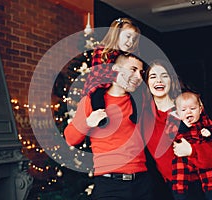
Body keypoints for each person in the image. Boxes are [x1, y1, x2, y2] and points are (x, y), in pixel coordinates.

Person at [64, 53, 154, 200]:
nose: (138, 76)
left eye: (141, 72)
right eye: (133, 69)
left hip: (142, 184)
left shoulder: (141, 100)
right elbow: (70, 139)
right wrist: (87, 123)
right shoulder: (93, 100)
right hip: (109, 186)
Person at [141, 59, 212, 200]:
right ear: (147, 82)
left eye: (164, 75)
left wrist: (192, 151)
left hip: (202, 186)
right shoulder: (145, 116)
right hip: (171, 189)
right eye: (153, 76)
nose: (159, 80)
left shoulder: (188, 108)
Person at [82, 17, 141, 127]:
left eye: (133, 39)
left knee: (136, 92)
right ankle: (101, 119)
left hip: (117, 85)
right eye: (128, 37)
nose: (130, 42)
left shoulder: (126, 56)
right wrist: (116, 76)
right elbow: (98, 71)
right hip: (99, 83)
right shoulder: (102, 50)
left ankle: (136, 115)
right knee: (97, 96)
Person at [165, 91, 212, 200]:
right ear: (177, 112)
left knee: (208, 175)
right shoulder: (175, 121)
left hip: (200, 156)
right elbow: (170, 133)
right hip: (182, 157)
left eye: (193, 109)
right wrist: (183, 126)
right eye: (184, 110)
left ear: (200, 109)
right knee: (180, 177)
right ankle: (180, 195)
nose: (188, 112)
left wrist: (209, 133)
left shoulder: (204, 121)